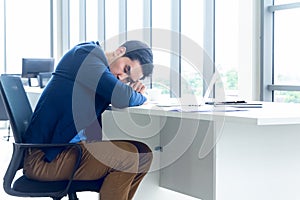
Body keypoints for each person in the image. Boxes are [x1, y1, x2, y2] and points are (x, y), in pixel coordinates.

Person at [23, 40, 154, 200]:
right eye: (126, 69)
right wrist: (141, 96)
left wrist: (130, 93)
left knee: (143, 153)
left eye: (129, 80)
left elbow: (121, 95)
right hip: (44, 158)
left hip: (70, 149)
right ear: (120, 51)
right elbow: (121, 96)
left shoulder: (99, 72)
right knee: (128, 157)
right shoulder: (86, 55)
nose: (122, 78)